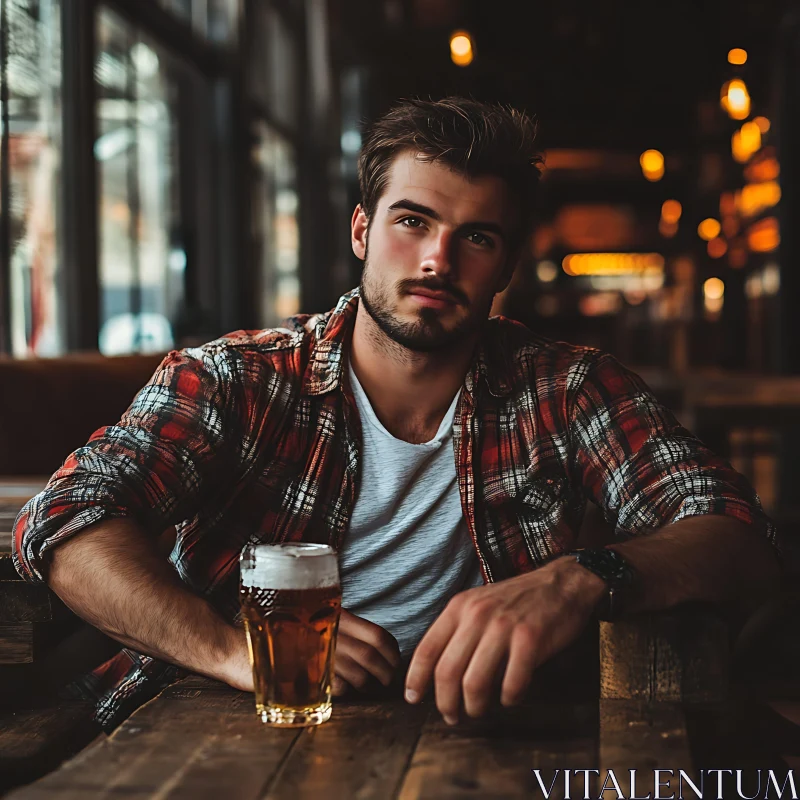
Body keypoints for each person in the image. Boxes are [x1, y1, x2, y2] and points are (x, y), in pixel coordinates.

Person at [14, 97, 782, 732]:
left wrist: (580, 580)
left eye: (475, 237)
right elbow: (68, 516)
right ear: (362, 231)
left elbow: (740, 532)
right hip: (209, 724)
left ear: (506, 265)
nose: (437, 262)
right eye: (412, 221)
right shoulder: (237, 380)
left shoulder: (568, 390)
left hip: (480, 741)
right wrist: (240, 651)